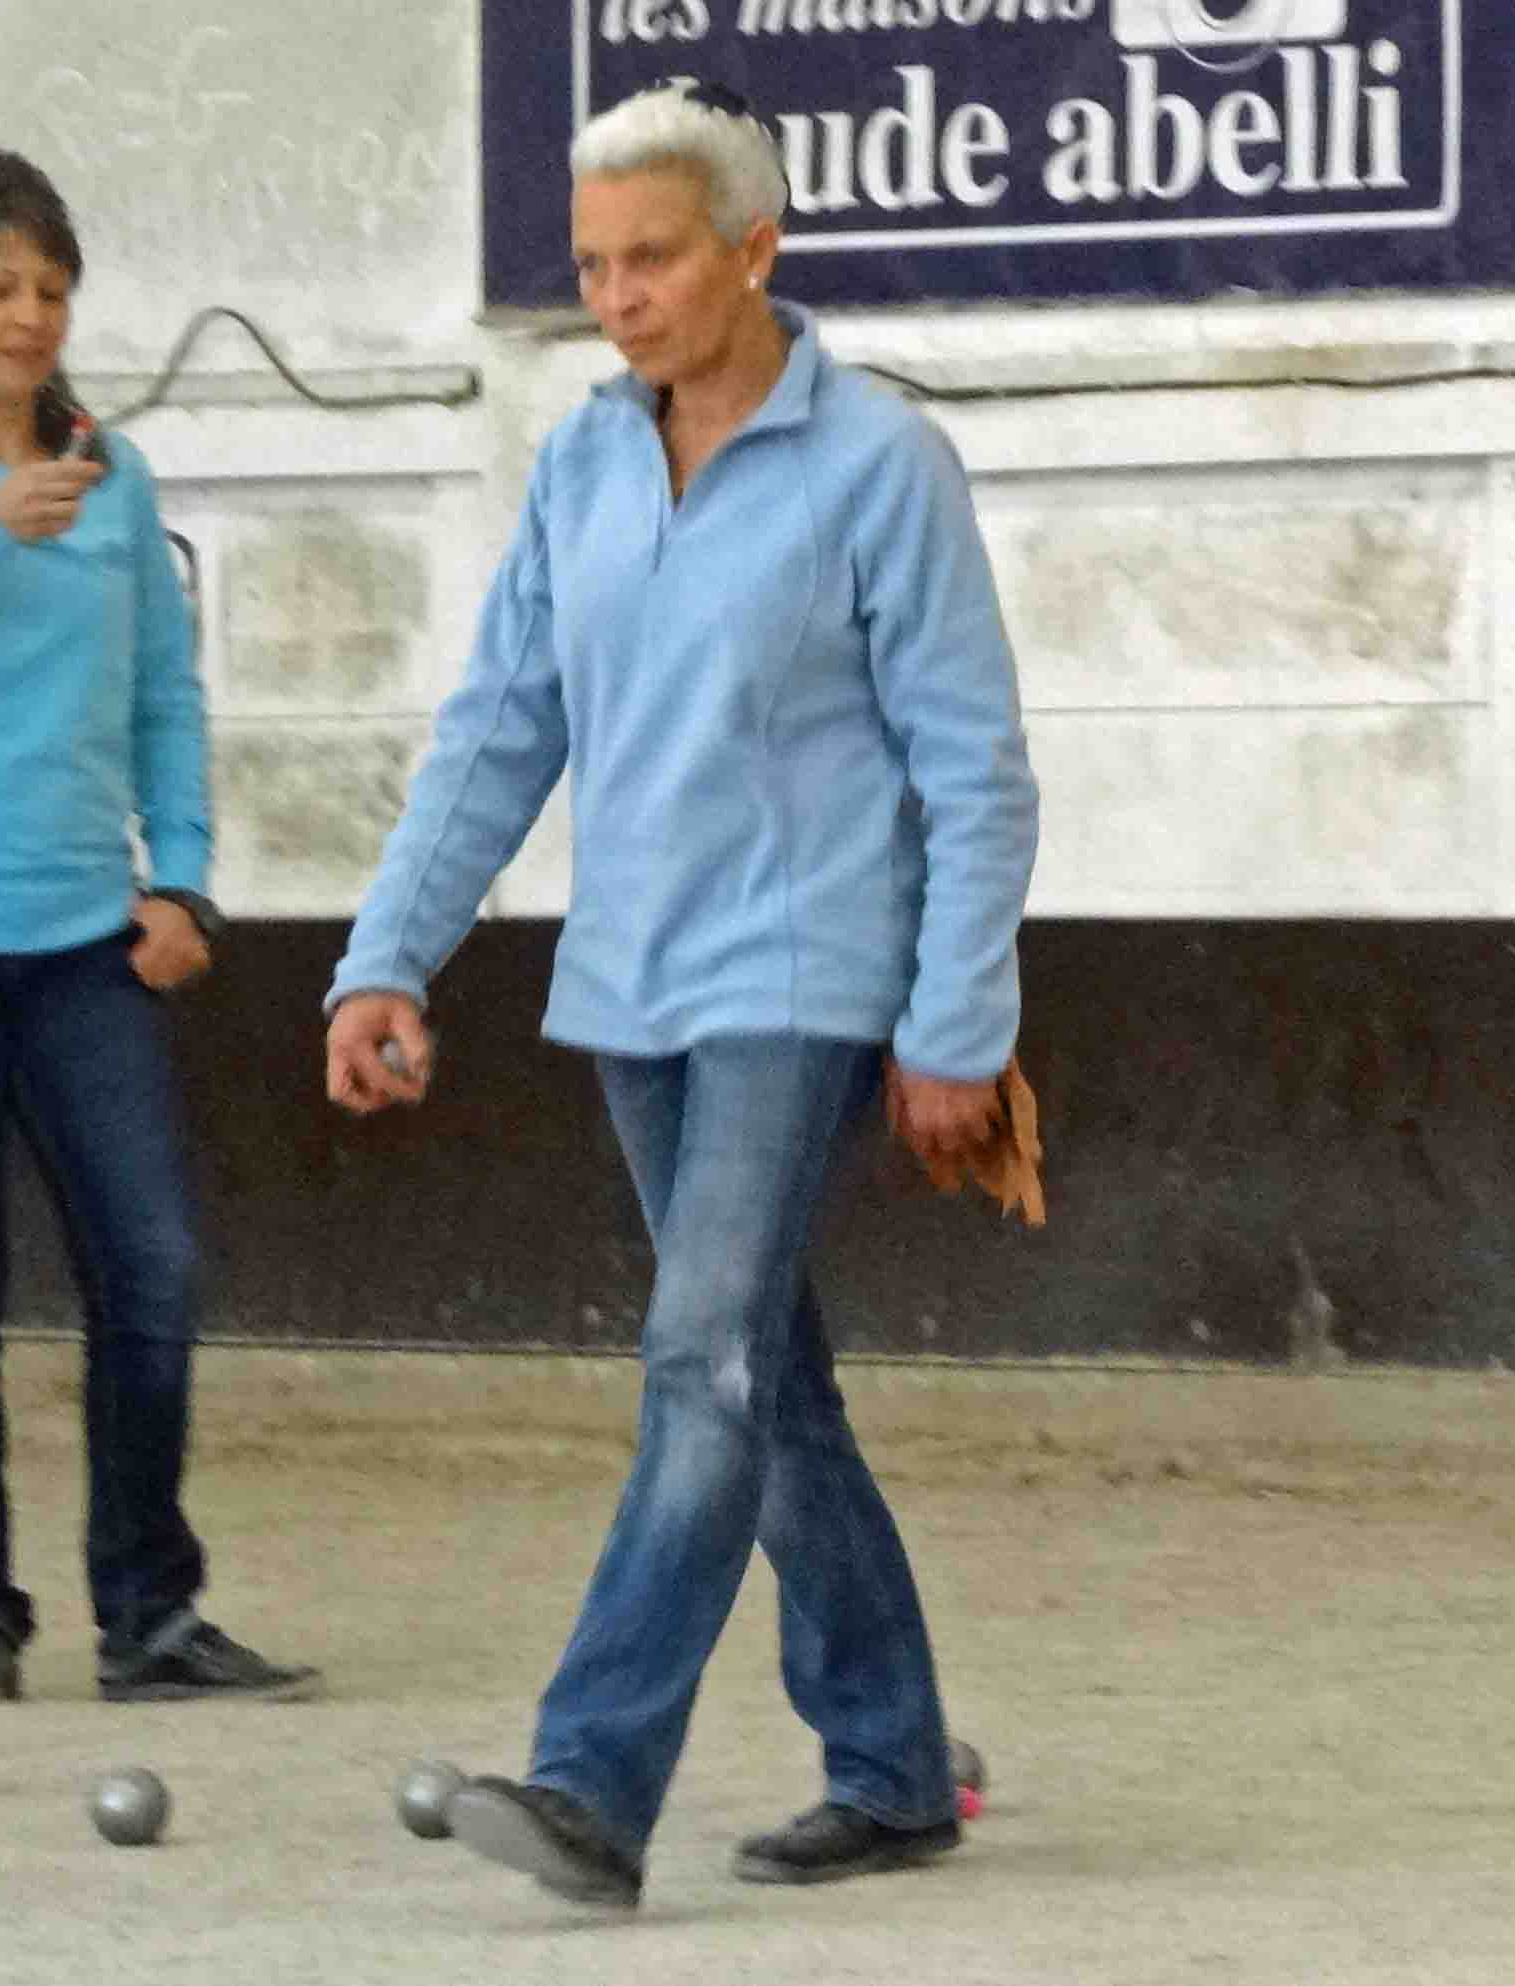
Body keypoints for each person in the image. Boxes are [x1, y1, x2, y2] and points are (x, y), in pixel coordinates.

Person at [323, 80, 1038, 1905]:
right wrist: (387, 952)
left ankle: (591, 1781)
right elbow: (503, 725)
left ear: (755, 246)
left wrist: (957, 1025)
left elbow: (974, 771)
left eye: (651, 256)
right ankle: (888, 1766)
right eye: (591, 265)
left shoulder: (881, 463)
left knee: (699, 1356)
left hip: (798, 982)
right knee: (767, 1385)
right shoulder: (577, 465)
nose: (619, 295)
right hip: (627, 989)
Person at [0, 143, 316, 1703]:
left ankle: (151, 1613)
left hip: (82, 942)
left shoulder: (118, 479)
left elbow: (164, 703)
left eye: (52, 289)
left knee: (156, 1263)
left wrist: (181, 878)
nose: (28, 318)